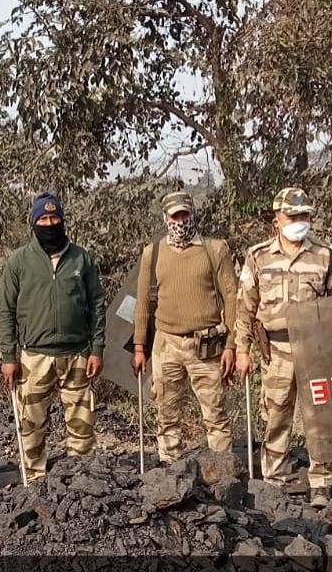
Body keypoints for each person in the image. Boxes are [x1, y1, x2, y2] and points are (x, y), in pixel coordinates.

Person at [234, 187, 332, 509]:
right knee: (276, 417)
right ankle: (274, 481)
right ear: (277, 220)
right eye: (292, 216)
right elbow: (245, 308)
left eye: (304, 215)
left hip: (316, 349)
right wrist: (242, 351)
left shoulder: (325, 254)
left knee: (321, 417)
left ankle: (321, 482)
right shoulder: (258, 256)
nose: (299, 221)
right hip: (276, 350)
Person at [0, 192, 106, 481]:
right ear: (34, 223)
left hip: (77, 354)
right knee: (31, 426)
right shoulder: (19, 261)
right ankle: (33, 481)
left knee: (82, 426)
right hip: (34, 357)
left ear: (63, 220)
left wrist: (97, 349)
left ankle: (82, 480)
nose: (49, 224)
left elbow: (97, 304)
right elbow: (5, 310)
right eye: (43, 219)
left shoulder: (81, 258)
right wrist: (8, 356)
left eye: (54, 217)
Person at [131, 191, 238, 463]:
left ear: (193, 214)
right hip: (166, 344)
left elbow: (232, 298)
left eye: (184, 214)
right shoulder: (152, 253)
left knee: (215, 414)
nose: (180, 221)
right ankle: (170, 468)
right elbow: (142, 302)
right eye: (175, 216)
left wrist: (231, 346)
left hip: (207, 345)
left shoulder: (215, 250)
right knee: (166, 414)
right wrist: (139, 347)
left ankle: (222, 471)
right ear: (165, 218)